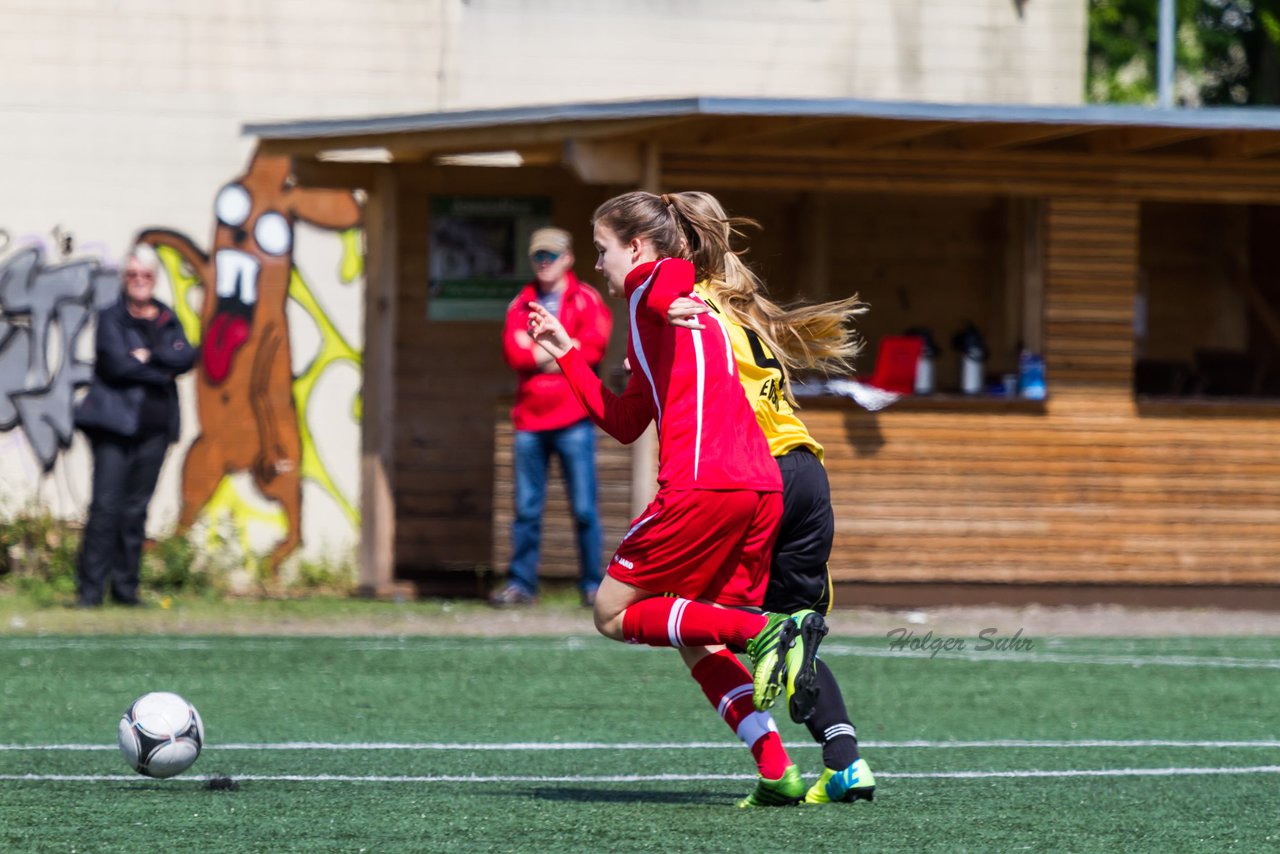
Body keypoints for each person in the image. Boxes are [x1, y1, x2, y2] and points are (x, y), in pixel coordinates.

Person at [526, 191, 827, 807]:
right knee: (696, 636)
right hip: (756, 487)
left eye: (602, 249)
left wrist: (668, 299)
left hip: (703, 484)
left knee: (610, 613)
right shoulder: (649, 320)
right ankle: (776, 769)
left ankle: (769, 627)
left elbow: (668, 276)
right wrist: (566, 353)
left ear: (635, 247)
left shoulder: (655, 283)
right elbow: (627, 419)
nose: (597, 264)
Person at [662, 192, 876, 805]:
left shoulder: (687, 306)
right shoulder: (742, 305)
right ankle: (845, 764)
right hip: (809, 470)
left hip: (755, 476)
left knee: (693, 620)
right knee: (788, 629)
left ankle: (773, 763)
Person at [493, 227, 614, 607]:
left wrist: (545, 350)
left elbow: (592, 350)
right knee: (526, 509)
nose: (544, 263)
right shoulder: (521, 303)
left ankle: (593, 586)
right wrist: (564, 349)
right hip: (529, 421)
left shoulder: (587, 299)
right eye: (538, 257)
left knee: (584, 509)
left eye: (551, 256)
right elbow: (517, 355)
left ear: (567, 258)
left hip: (576, 419)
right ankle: (521, 585)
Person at [72, 246, 197, 607]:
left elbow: (186, 356)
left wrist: (151, 356)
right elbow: (115, 365)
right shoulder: (112, 318)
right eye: (133, 275)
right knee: (106, 507)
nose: (140, 281)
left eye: (146, 275)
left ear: (154, 279)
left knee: (136, 510)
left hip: (155, 431)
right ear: (125, 279)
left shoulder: (166, 318)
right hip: (113, 428)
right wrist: (162, 365)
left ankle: (125, 590)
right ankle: (90, 591)